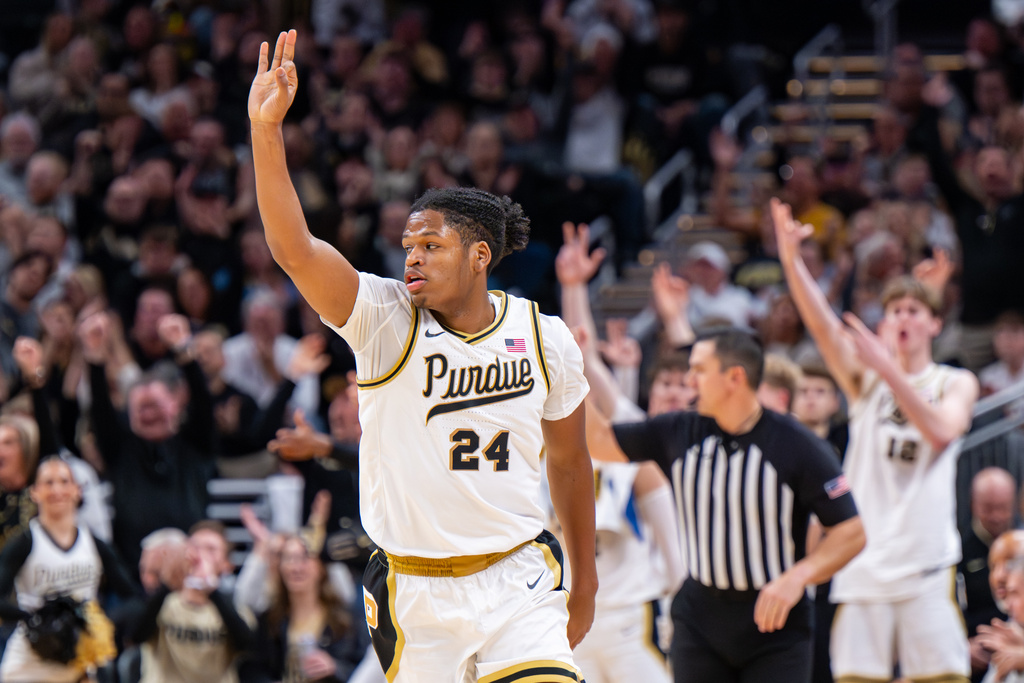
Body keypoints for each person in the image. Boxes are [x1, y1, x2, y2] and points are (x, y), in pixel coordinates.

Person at [249, 30, 597, 683]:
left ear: (479, 256)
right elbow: (295, 250)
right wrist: (266, 131)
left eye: (431, 246)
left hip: (518, 578)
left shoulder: (545, 336)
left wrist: (588, 579)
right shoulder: (383, 317)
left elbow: (572, 463)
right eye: (409, 245)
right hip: (414, 589)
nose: (412, 257)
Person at [771, 197, 980, 683]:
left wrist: (888, 365)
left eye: (914, 310)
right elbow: (822, 324)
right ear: (883, 322)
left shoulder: (954, 382)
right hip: (864, 570)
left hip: (927, 565)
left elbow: (941, 432)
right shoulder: (865, 383)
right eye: (895, 311)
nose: (904, 317)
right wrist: (791, 260)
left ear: (934, 323)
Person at [598, 327, 865, 682]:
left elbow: (851, 531)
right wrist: (564, 372)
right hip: (699, 621)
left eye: (699, 370)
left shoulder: (796, 445)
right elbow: (597, 440)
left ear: (734, 378)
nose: (689, 381)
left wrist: (799, 576)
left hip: (775, 625)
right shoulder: (677, 431)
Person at [0, 456, 137, 682]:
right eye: (48, 482)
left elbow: (132, 597)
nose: (57, 490)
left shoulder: (94, 543)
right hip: (32, 657)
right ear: (34, 492)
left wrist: (99, 621)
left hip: (79, 657)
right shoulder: (24, 542)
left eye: (64, 481)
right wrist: (34, 619)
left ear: (77, 490)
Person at [132, 520, 255, 683]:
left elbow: (248, 647)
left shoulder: (235, 607)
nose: (200, 556)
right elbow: (135, 636)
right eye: (195, 547)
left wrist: (211, 590)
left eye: (210, 549)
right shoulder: (163, 601)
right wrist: (166, 586)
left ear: (226, 564)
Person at [240, 533, 370, 682]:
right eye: (288, 558)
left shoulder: (345, 620)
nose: (296, 567)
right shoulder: (270, 620)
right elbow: (251, 668)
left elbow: (367, 668)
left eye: (304, 557)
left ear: (321, 566)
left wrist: (335, 667)